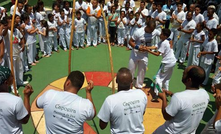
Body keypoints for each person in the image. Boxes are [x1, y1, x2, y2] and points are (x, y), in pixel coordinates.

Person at [153, 65, 210, 134]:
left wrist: (163, 98)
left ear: (189, 80)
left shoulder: (178, 97)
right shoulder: (205, 94)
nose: (183, 72)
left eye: (185, 73)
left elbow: (166, 116)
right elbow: (188, 102)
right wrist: (172, 94)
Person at [98, 67, 147, 133]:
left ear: (116, 81)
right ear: (132, 81)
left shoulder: (110, 100)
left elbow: (102, 126)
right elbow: (142, 112)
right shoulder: (141, 94)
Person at [0, 66, 33, 134]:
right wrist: (26, 97)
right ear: (6, 83)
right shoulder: (15, 101)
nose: (13, 78)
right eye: (11, 77)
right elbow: (25, 120)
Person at [128, 20, 160, 89]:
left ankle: (139, 85)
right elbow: (130, 41)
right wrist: (138, 47)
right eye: (150, 29)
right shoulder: (139, 32)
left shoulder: (155, 31)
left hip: (144, 55)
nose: (152, 31)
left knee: (142, 71)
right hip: (135, 54)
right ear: (147, 26)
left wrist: (169, 42)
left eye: (153, 30)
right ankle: (129, 84)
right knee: (131, 70)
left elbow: (165, 36)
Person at [147, 29, 176, 102]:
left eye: (161, 34)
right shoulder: (164, 41)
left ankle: (157, 94)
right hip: (172, 62)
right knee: (166, 79)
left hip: (167, 63)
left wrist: (147, 51)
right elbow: (155, 47)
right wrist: (146, 48)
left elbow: (157, 54)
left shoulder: (164, 43)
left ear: (165, 36)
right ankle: (166, 92)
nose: (160, 35)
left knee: (158, 78)